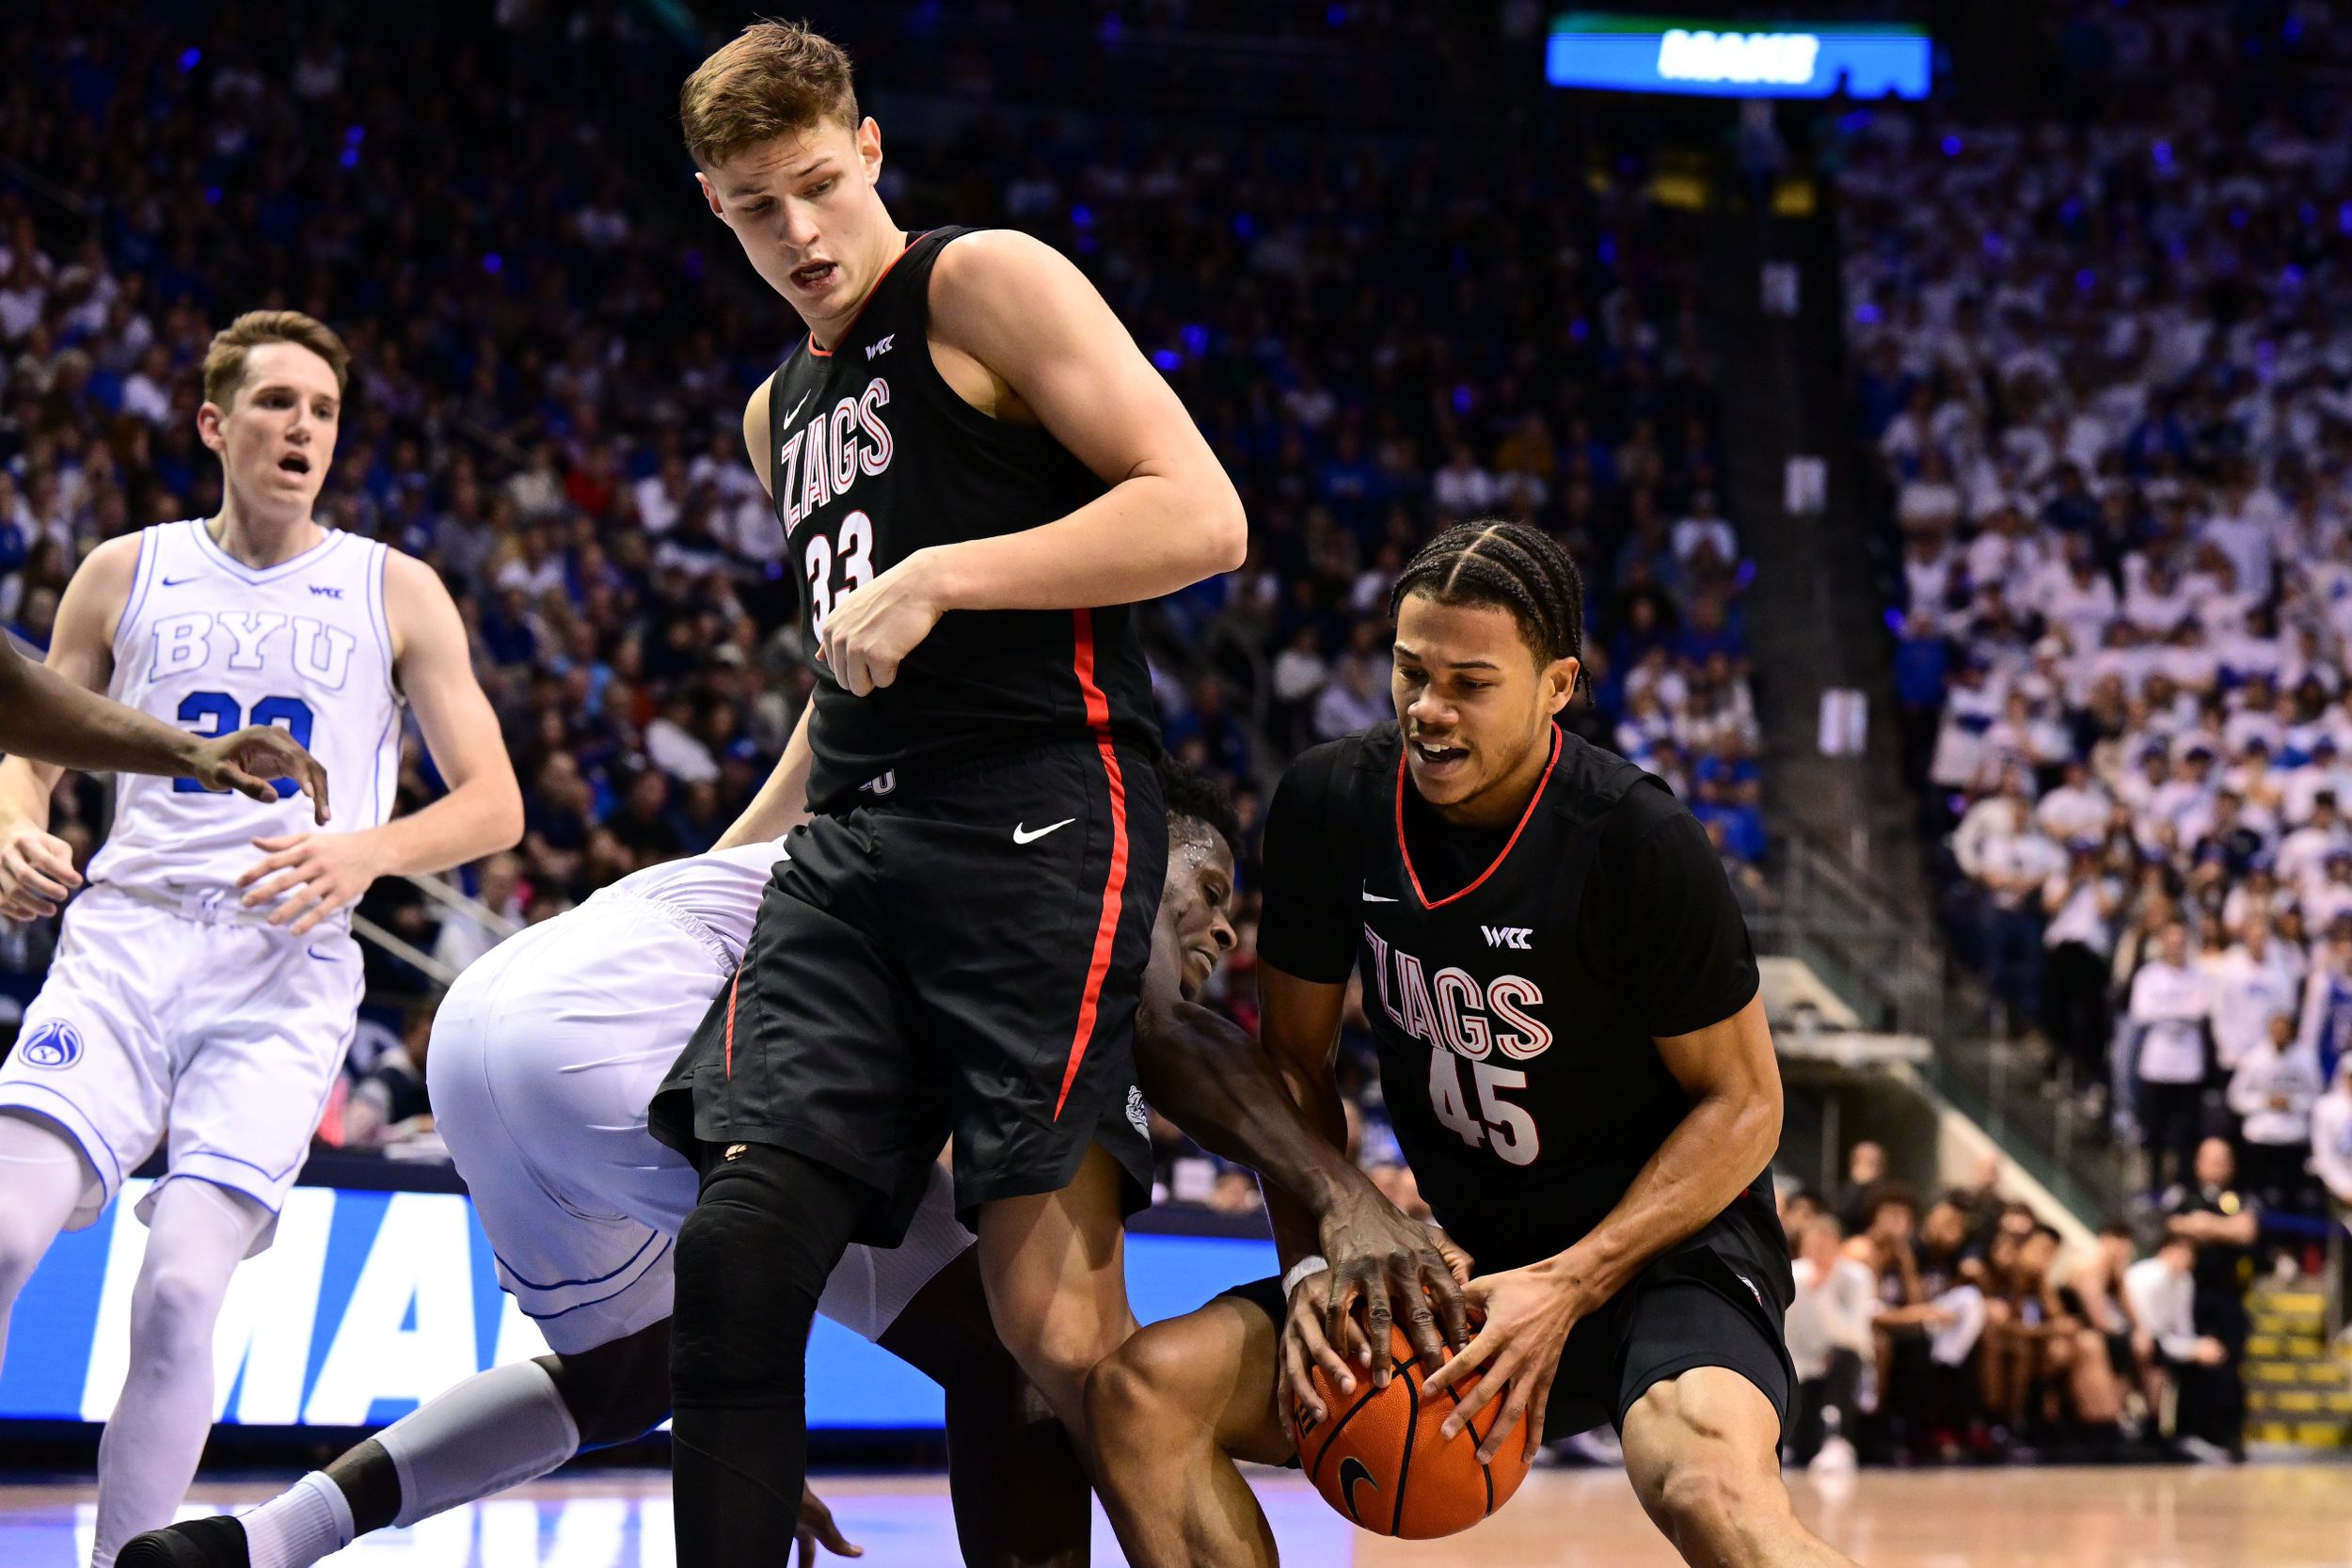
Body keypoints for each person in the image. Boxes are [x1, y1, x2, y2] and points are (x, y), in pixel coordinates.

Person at [127, 758, 1359, 1568]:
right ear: (1152, 855)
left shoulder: (935, 860)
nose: (1221, 933)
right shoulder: (1081, 871)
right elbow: (1173, 1036)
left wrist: (745, 1443)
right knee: (1014, 1338)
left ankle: (268, 1537)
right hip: (632, 1029)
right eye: (1210, 893)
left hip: (499, 1025)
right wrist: (1347, 1197)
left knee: (626, 1374)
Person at [641, 23, 1247, 1564]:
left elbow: (1202, 514)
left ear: (874, 153)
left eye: (819, 186)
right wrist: (703, 876)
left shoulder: (986, 279)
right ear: (713, 206)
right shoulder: (778, 411)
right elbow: (846, 677)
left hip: (1039, 805)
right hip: (857, 840)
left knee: (1049, 1323)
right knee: (737, 1244)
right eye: (754, 206)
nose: (797, 233)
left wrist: (944, 573)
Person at [1086, 521, 1852, 1568]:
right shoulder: (1329, 802)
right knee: (1145, 1393)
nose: (1428, 710)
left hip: (1662, 1255)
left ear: (1557, 686)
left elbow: (1745, 1105)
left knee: (1710, 1487)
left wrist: (1574, 1279)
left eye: (1470, 682)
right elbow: (1294, 1070)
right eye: (1410, 671)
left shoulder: (1635, 839)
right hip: (1461, 1261)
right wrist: (1311, 1259)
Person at [0, 310, 523, 1566]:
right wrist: (14, 817)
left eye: (324, 411)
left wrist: (363, 852)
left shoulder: (395, 586)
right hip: (122, 940)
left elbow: (493, 801)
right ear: (213, 423)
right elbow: (30, 734)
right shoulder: (125, 569)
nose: (302, 428)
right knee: (4, 1228)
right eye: (278, 403)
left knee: (182, 1289)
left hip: (282, 970)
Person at [0, 628, 326, 800]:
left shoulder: (375, 572)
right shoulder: (120, 565)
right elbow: (16, 702)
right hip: (138, 898)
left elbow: (13, 695)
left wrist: (197, 753)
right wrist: (16, 816)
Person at [2161, 1137, 2255, 1462]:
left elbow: (2244, 1231)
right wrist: (2218, 1228)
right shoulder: (2182, 1196)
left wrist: (2203, 1226)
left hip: (2229, 1296)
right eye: (2209, 1159)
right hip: (2190, 1296)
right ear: (2198, 1163)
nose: (2215, 1166)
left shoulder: (2239, 1198)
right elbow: (2173, 1227)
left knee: (2229, 1364)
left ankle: (2228, 1435)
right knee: (2190, 1361)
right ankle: (2188, 1433)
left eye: (2222, 1160)